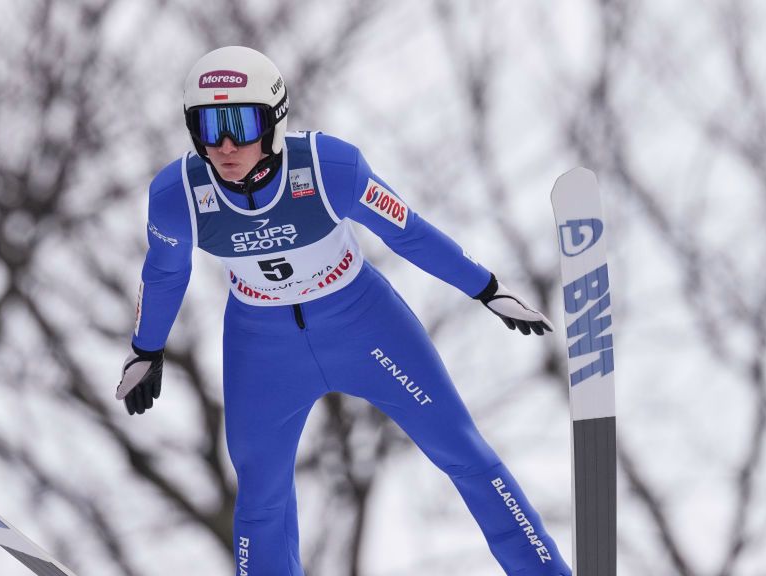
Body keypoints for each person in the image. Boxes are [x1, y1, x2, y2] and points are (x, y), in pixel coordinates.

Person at [118, 46, 571, 576]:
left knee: (462, 451)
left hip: (364, 323)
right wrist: (144, 351)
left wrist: (486, 288)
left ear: (274, 121)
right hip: (263, 345)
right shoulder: (179, 196)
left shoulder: (329, 168)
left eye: (240, 123)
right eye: (208, 125)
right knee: (261, 497)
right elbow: (166, 273)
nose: (224, 144)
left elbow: (408, 232)